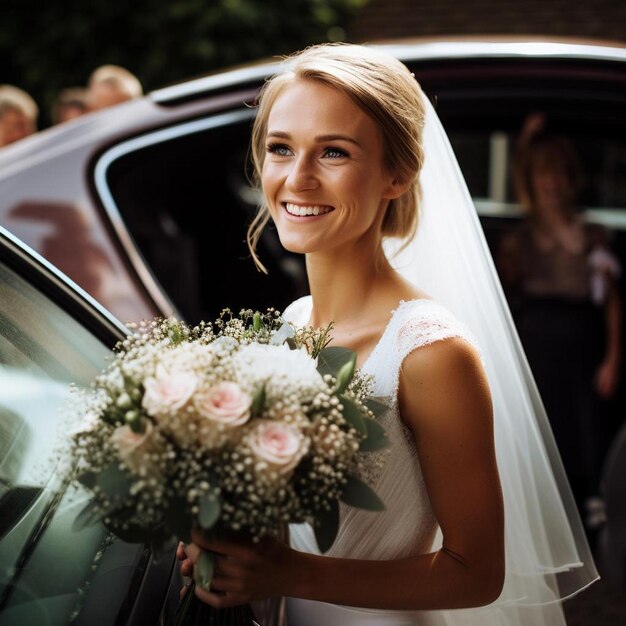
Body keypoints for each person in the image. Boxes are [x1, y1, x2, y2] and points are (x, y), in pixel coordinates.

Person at [178, 44, 597, 625]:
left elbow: (477, 573)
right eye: (281, 148)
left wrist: (290, 572)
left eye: (333, 152)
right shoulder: (293, 325)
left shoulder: (429, 352)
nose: (298, 178)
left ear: (396, 175)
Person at [498, 118, 622, 527]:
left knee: (588, 422)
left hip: (584, 341)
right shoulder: (520, 240)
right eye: (541, 175)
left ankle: (594, 501)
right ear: (529, 183)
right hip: (538, 340)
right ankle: (546, 505)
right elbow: (505, 301)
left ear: (570, 179)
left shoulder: (592, 234)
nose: (551, 183)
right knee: (544, 421)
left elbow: (611, 303)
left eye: (557, 174)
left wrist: (612, 359)